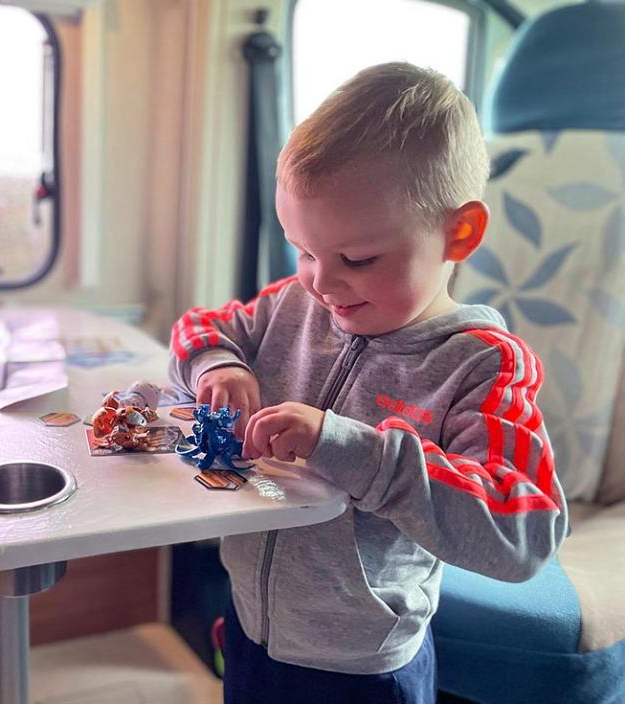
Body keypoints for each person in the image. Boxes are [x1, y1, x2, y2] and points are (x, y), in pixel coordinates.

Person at [168, 62, 568, 704]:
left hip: (364, 667)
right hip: (248, 626)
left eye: (357, 259)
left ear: (459, 233)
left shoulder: (481, 365)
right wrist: (218, 363)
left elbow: (524, 532)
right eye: (304, 251)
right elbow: (199, 326)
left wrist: (354, 451)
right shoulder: (293, 305)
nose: (322, 283)